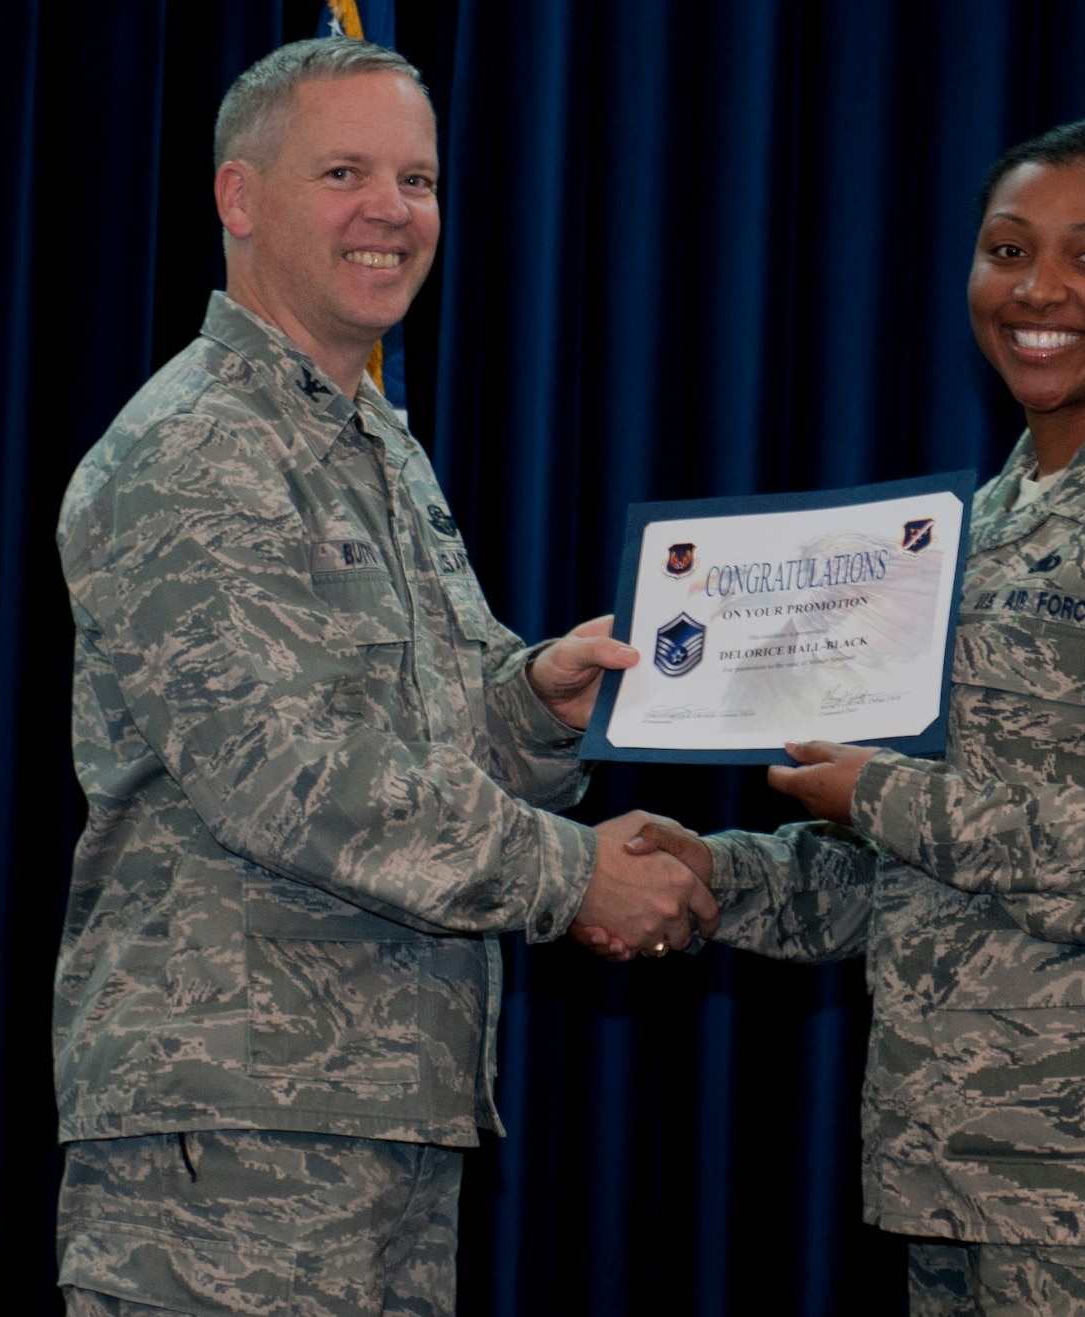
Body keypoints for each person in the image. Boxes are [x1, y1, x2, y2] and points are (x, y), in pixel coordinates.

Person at [612, 121, 1085, 1313]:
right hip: (961, 1166)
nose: (1038, 289)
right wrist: (708, 879)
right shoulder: (982, 524)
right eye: (1007, 249)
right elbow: (916, 866)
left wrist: (881, 793)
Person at [53, 38, 717, 1315]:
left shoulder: (373, 446)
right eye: (344, 172)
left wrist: (538, 698)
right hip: (233, 1136)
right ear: (238, 199)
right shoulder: (197, 448)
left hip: (380, 1115)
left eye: (416, 180)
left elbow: (428, 739)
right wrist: (570, 873)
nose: (391, 212)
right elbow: (294, 779)